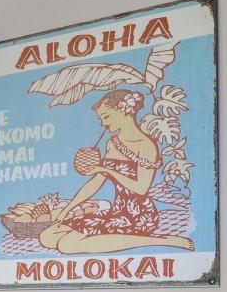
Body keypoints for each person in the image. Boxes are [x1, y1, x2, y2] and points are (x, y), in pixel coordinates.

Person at [38, 88, 194, 254]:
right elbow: (95, 182)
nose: (103, 123)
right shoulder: (112, 143)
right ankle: (110, 236)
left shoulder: (146, 145)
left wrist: (107, 170)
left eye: (106, 117)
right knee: (47, 237)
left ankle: (161, 240)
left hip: (138, 216)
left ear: (123, 111)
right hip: (117, 211)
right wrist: (67, 209)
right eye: (101, 118)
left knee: (66, 245)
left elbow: (141, 188)